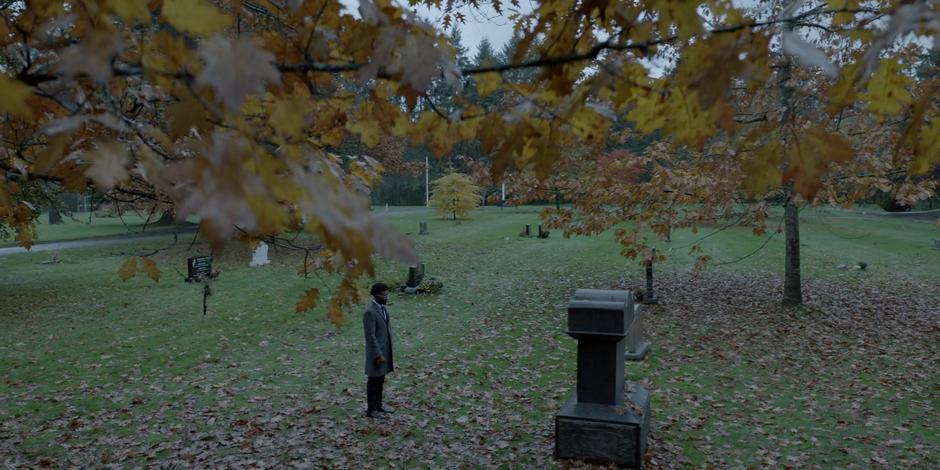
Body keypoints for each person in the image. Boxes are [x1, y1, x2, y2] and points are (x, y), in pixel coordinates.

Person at [363, 282, 395, 419]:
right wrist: (378, 354)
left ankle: (379, 406)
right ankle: (371, 410)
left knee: (380, 380)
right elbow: (370, 336)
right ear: (376, 296)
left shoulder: (383, 308)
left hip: (385, 351)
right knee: (373, 381)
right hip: (376, 354)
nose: (387, 297)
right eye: (385, 295)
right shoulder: (370, 312)